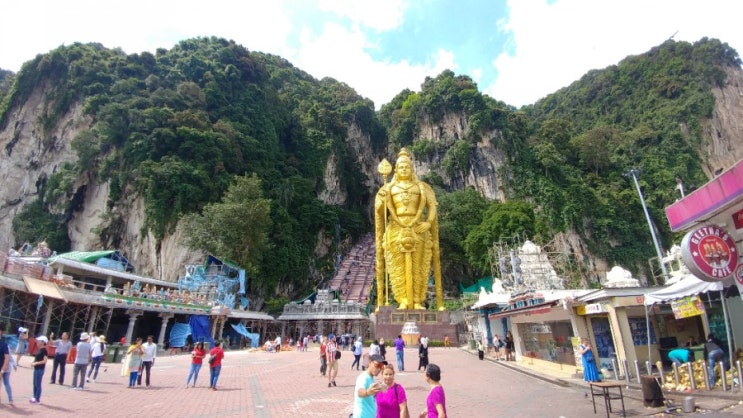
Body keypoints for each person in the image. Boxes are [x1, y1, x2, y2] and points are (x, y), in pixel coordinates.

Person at [374, 148, 443, 310]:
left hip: (417, 228)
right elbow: (379, 212)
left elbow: (432, 206)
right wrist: (382, 201)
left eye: (407, 166)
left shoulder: (422, 188)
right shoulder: (389, 189)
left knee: (419, 265)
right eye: (401, 166)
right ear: (396, 170)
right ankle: (402, 299)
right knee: (397, 267)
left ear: (412, 169)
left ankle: (418, 300)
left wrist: (428, 222)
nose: (404, 168)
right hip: (396, 229)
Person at [29, 335, 49, 404]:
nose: (37, 342)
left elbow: (45, 360)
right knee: (34, 383)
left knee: (38, 384)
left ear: (43, 342)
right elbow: (36, 358)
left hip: (40, 369)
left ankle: (37, 399)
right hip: (36, 369)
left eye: (39, 341)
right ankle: (34, 397)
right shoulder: (39, 350)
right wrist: (33, 362)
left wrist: (36, 363)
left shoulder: (44, 350)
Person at [0, 324, 13, 405]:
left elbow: (8, 359)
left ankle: (10, 399)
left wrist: (2, 371)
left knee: (6, 383)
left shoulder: (4, 345)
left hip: (5, 369)